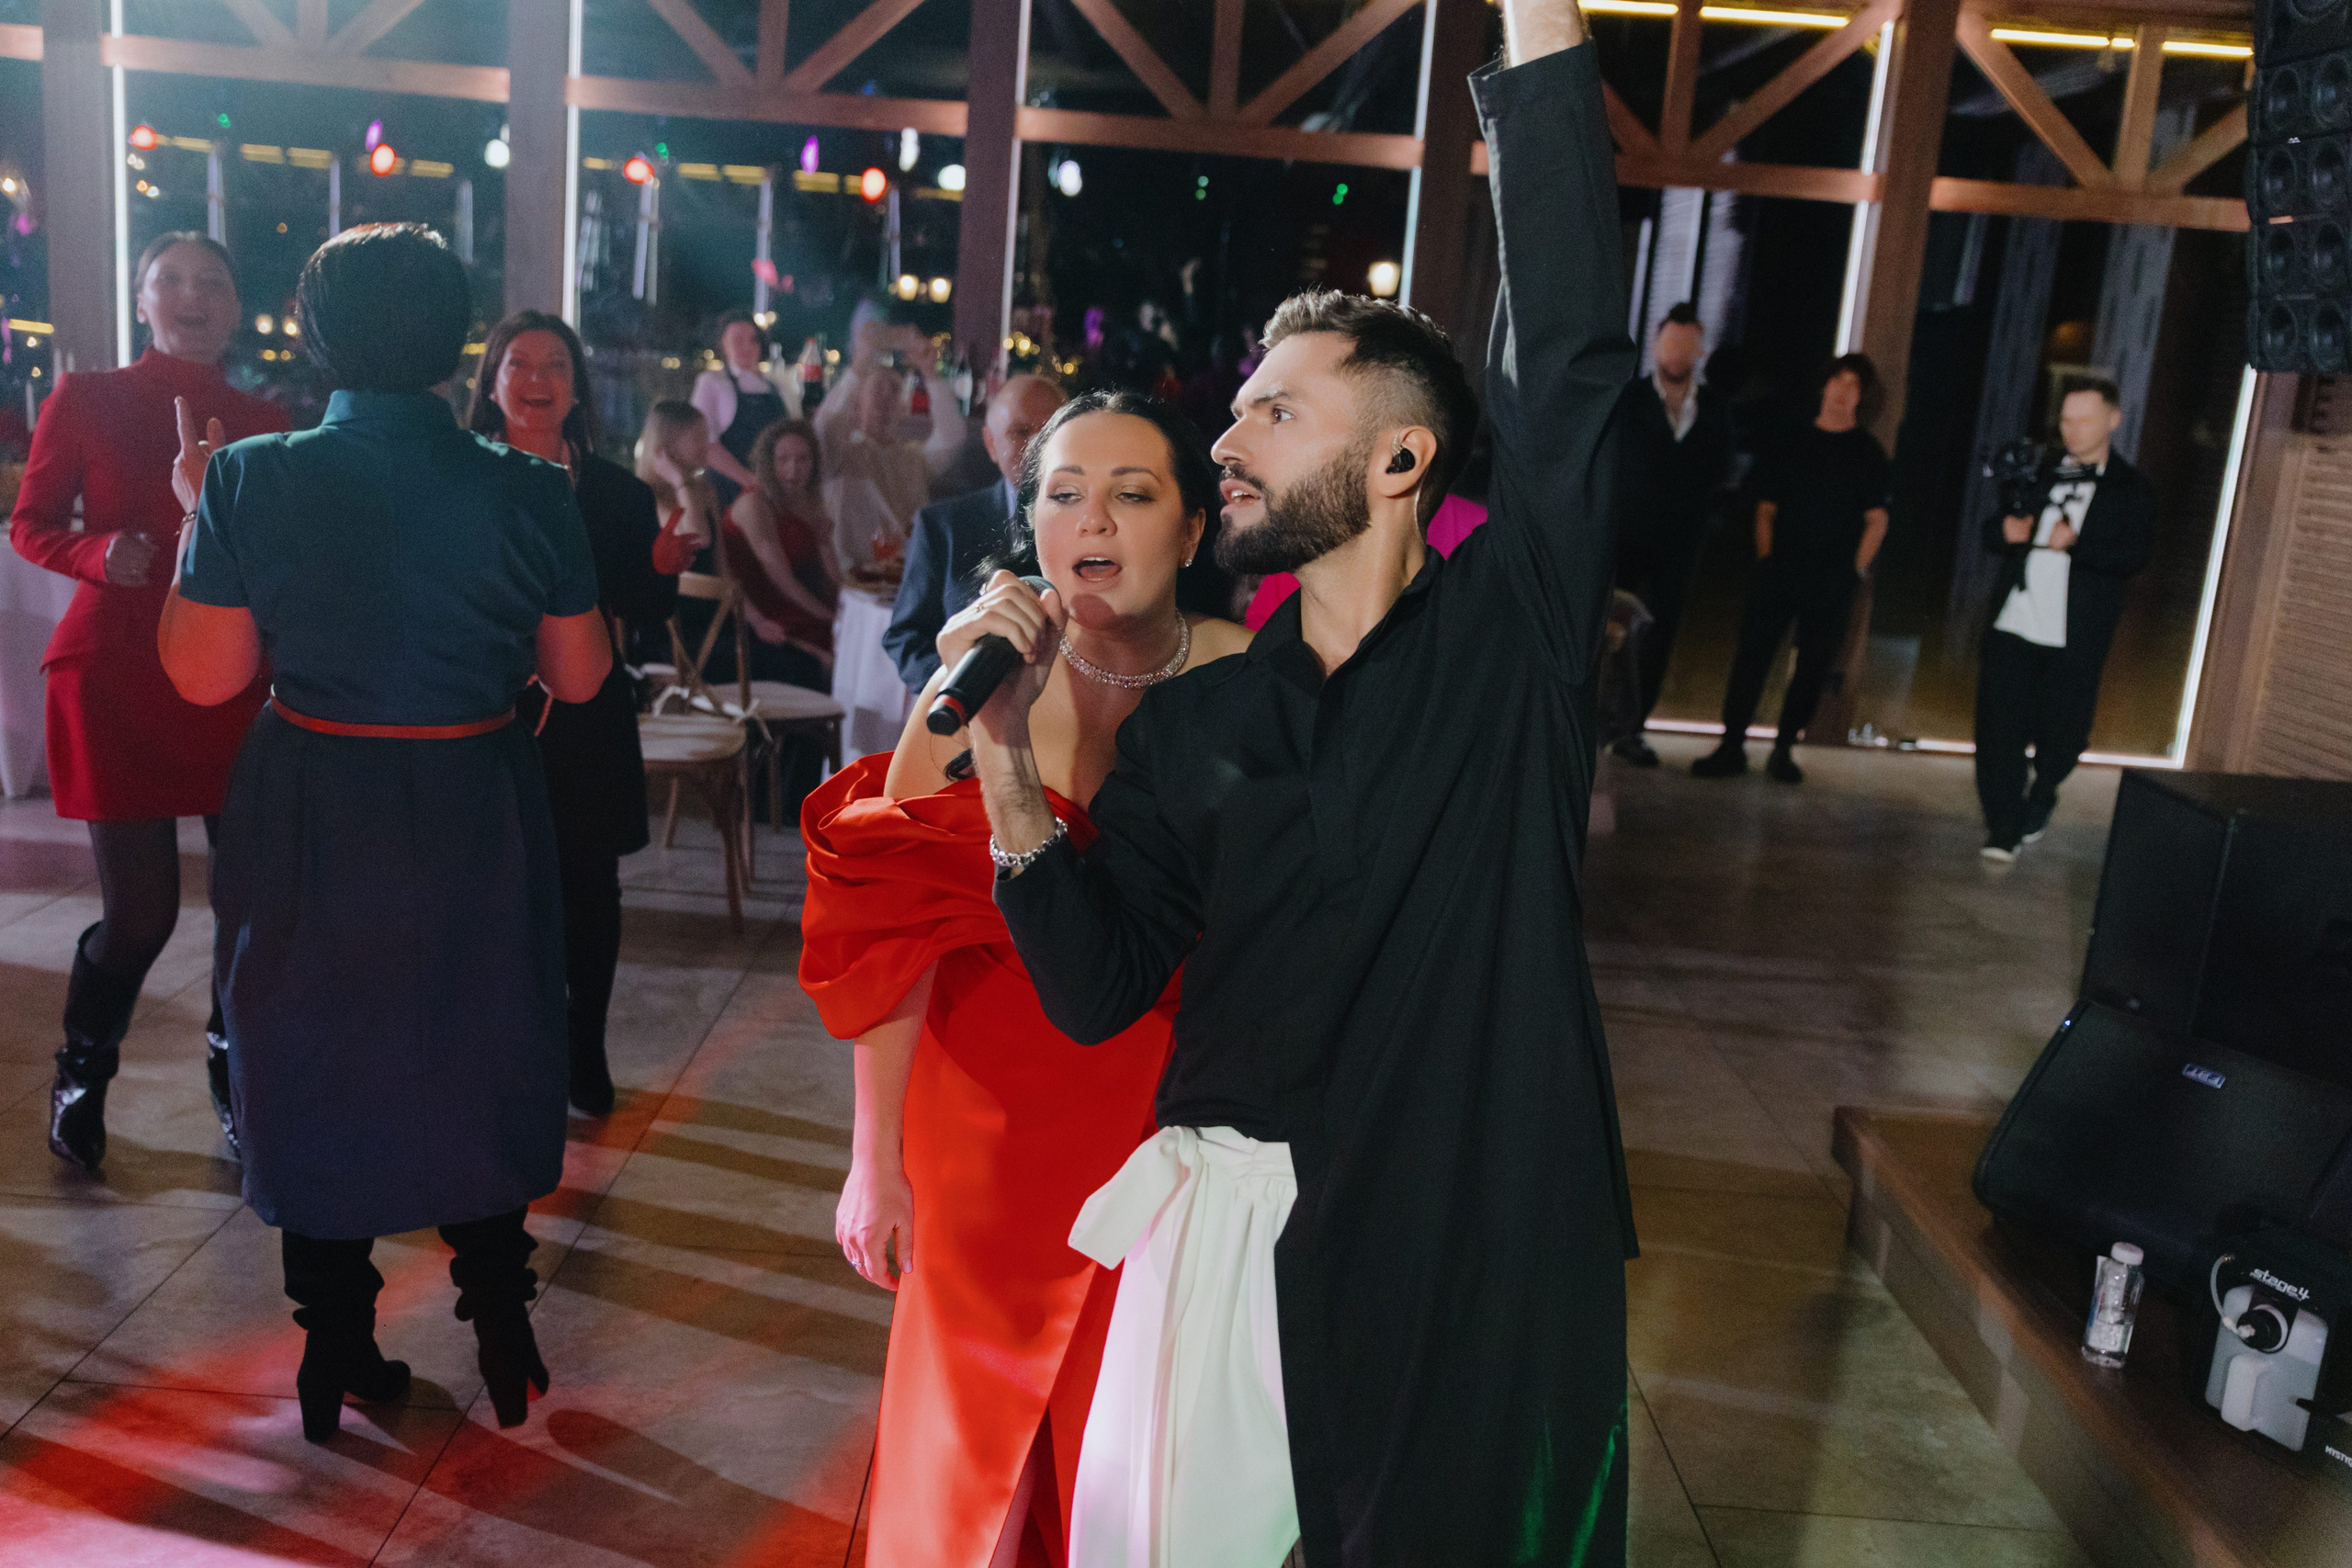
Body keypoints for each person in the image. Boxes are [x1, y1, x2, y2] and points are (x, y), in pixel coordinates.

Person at [950, 3, 1636, 1561]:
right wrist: (1003, 762)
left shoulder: (1506, 643)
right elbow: (1095, 984)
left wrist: (1536, 27)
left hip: (1472, 1249)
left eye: (1278, 407)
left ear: (1401, 463)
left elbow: (1580, 354)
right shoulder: (1197, 721)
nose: (1232, 437)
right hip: (1234, 1262)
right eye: (1241, 403)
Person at [156, 223, 611, 1443]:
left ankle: (336, 1349)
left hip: (314, 798)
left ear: (315, 334)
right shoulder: (529, 488)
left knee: (315, 1051)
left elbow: (205, 678)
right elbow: (581, 668)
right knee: (485, 1035)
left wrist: (203, 513)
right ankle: (501, 1317)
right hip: (472, 792)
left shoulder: (251, 476)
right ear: (461, 339)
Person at [803, 391, 1249, 1568]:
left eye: (1132, 492)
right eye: (1061, 493)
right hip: (978, 1129)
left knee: (1128, 1446)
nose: (1090, 515)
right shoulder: (965, 691)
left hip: (1163, 1124)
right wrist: (873, 1161)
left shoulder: (1260, 688)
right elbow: (889, 936)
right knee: (970, 1467)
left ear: (1193, 531)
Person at [9, 231, 289, 1172]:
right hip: (115, 674)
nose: (192, 295)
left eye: (213, 281)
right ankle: (82, 1072)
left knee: (248, 905)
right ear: (143, 299)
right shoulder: (83, 398)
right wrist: (99, 553)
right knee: (143, 914)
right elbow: (34, 524)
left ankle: (235, 1076)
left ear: (238, 306)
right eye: (171, 279)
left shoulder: (269, 419)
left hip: (230, 678)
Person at [469, 309, 697, 1115]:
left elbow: (636, 601)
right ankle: (508, 1051)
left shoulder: (614, 491)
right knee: (494, 888)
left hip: (588, 714)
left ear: (577, 388)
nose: (537, 380)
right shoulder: (461, 475)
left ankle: (584, 1045)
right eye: (519, 363)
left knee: (590, 888)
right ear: (492, 381)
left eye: (556, 366)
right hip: (482, 715)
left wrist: (661, 568)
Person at [1974, 377, 2154, 861]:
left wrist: (2078, 545)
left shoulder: (2130, 487)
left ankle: (2043, 791)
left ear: (2113, 420)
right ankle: (2003, 827)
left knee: (2065, 734)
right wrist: (2006, 531)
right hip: (2016, 620)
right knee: (1999, 728)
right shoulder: (2042, 470)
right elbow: (1995, 529)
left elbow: (2134, 556)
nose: (2072, 431)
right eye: (2065, 420)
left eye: (2085, 420)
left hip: (2074, 632)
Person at [1691, 353, 1891, 784]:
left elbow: (1878, 519)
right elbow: (1765, 507)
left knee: (1813, 664)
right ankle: (1731, 744)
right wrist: (1766, 558)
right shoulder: (1789, 440)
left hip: (1831, 577)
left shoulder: (1867, 453)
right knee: (1753, 656)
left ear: (1862, 396)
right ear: (1824, 385)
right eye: (1837, 379)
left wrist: (1852, 570)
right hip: (1779, 568)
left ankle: (1783, 749)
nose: (1842, 390)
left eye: (1852, 384)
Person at [883, 374, 1066, 691]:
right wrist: (961, 689)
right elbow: (906, 639)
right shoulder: (943, 527)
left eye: (1049, 431)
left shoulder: (1093, 526)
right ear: (991, 445)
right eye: (1020, 432)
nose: (1037, 445)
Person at [1610, 301, 1734, 765]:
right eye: (1670, 342)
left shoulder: (1716, 409)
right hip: (1625, 535)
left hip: (1680, 542)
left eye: (1687, 344)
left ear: (1700, 350)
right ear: (1657, 345)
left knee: (1660, 634)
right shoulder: (1628, 399)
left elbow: (1722, 472)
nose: (1677, 352)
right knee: (1611, 626)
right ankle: (1599, 723)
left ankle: (1633, 730)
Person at [814, 320, 967, 580]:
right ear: (857, 404)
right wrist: (860, 366)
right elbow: (824, 428)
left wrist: (931, 373)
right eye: (878, 389)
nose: (886, 397)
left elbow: (952, 438)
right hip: (855, 578)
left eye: (894, 389)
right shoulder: (840, 454)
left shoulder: (913, 456)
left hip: (905, 574)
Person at [726, 416, 840, 688]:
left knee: (866, 646)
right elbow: (780, 578)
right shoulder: (754, 503)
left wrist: (825, 542)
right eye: (783, 460)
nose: (793, 470)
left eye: (803, 460)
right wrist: (829, 617)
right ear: (768, 463)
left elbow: (833, 576)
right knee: (837, 659)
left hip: (796, 603)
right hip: (760, 611)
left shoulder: (808, 498)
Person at [632, 400, 721, 669]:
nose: (707, 444)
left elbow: (720, 560)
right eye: (698, 437)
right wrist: (679, 481)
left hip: (715, 618)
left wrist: (751, 616)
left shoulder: (704, 490)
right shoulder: (649, 495)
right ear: (668, 445)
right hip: (675, 629)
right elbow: (697, 539)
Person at [692, 310, 799, 513]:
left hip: (778, 497)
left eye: (753, 340)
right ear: (724, 344)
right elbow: (706, 445)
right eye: (738, 340)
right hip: (729, 495)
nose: (747, 347)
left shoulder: (777, 386)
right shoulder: (712, 383)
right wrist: (751, 482)